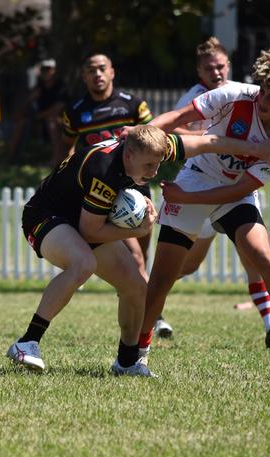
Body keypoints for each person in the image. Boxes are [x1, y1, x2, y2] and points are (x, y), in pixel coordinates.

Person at [6, 124, 270, 377]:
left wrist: (259, 149)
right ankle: (27, 342)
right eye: (148, 167)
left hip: (85, 217)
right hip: (46, 216)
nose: (154, 172)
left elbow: (211, 142)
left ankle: (127, 362)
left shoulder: (151, 147)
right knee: (83, 263)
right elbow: (90, 231)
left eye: (158, 165)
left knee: (136, 287)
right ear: (128, 155)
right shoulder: (104, 171)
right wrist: (138, 230)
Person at [138, 48, 270, 364]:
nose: (263, 99)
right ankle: (137, 355)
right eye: (263, 89)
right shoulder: (231, 95)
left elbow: (238, 189)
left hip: (231, 193)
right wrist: (140, 136)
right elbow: (177, 118)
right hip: (196, 177)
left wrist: (183, 198)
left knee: (261, 254)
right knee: (164, 277)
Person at [169, 37, 270, 350]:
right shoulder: (195, 97)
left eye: (221, 65)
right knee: (186, 265)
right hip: (201, 182)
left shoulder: (245, 94)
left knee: (255, 256)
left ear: (229, 66)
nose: (217, 71)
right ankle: (145, 296)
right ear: (199, 70)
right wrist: (207, 139)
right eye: (209, 67)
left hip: (237, 188)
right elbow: (175, 130)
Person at [61, 52, 174, 338]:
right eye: (90, 69)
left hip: (136, 186)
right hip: (104, 191)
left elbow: (153, 135)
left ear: (112, 72)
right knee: (134, 256)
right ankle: (151, 315)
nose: (97, 74)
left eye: (102, 68)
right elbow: (67, 148)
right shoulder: (75, 111)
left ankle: (141, 304)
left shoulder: (132, 103)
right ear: (84, 76)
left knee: (142, 253)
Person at [7, 58, 69, 167]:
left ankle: (57, 160)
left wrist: (39, 116)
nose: (46, 72)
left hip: (60, 121)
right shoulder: (38, 86)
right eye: (43, 69)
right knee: (21, 123)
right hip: (39, 120)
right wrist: (30, 99)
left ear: (54, 71)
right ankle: (10, 159)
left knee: (52, 122)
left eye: (48, 69)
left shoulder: (61, 86)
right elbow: (23, 109)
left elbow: (57, 109)